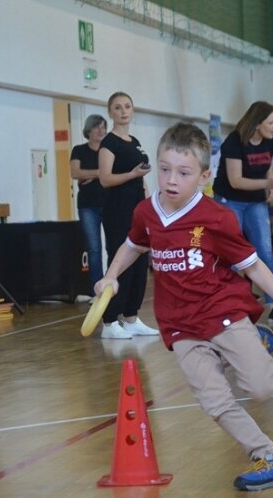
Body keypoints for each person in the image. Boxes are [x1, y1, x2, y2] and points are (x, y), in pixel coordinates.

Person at [95, 122, 273, 492]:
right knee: (214, 400)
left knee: (261, 388)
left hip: (221, 313)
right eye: (164, 169)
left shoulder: (217, 218)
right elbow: (133, 245)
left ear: (204, 176)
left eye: (183, 172)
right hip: (180, 325)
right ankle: (271, 458)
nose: (171, 180)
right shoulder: (146, 212)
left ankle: (258, 337)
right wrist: (110, 275)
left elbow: (253, 264)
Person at [212, 101, 273, 324]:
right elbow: (235, 181)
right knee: (232, 253)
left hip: (255, 201)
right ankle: (232, 303)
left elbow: (267, 168)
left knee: (264, 251)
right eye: (271, 122)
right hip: (230, 199)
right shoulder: (234, 141)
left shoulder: (272, 141)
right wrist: (267, 184)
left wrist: (270, 187)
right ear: (257, 123)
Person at [98, 92, 159, 339]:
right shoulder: (108, 143)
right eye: (117, 107)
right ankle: (110, 321)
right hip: (117, 210)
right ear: (110, 112)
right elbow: (105, 179)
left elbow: (139, 176)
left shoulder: (134, 140)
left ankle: (131, 316)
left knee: (140, 260)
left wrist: (146, 200)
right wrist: (133, 174)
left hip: (137, 208)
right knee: (119, 262)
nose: (123, 111)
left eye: (127, 106)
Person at [70, 114, 108, 297]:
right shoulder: (79, 150)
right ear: (89, 130)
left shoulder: (108, 150)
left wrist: (91, 175)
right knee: (94, 248)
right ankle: (97, 291)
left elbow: (115, 172)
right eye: (96, 127)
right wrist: (101, 173)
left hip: (109, 203)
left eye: (103, 127)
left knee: (114, 246)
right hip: (87, 206)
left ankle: (113, 284)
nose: (100, 130)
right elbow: (75, 172)